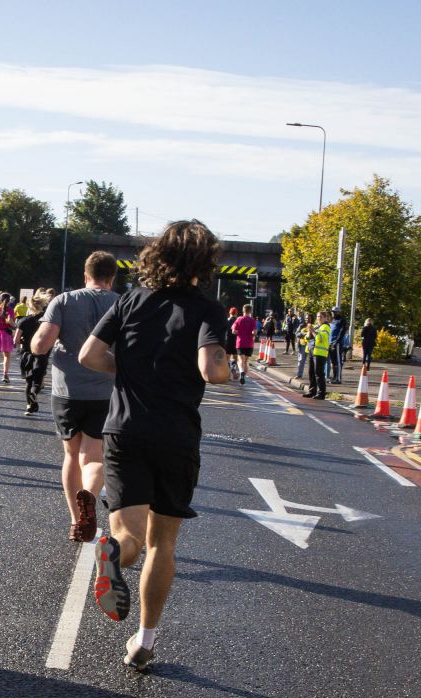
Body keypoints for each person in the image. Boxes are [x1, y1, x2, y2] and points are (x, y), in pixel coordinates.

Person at [77, 220, 230, 671]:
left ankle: (112, 555)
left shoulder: (131, 299)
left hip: (124, 428)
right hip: (175, 435)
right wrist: (222, 366)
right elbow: (212, 370)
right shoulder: (207, 308)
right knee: (163, 542)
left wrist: (129, 372)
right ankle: (144, 641)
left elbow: (89, 355)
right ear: (203, 261)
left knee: (127, 534)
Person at [32, 252, 118, 542]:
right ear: (112, 277)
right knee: (94, 457)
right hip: (106, 391)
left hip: (67, 390)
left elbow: (40, 346)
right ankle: (90, 496)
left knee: (71, 454)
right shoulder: (121, 303)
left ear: (85, 275)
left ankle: (75, 520)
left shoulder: (64, 301)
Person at [15, 288, 51, 416]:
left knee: (28, 381)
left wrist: (22, 346)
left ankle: (30, 405)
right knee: (38, 379)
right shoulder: (46, 320)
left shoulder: (23, 321)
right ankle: (34, 393)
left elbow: (16, 339)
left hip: (26, 353)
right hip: (42, 352)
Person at [303, 310, 331, 400]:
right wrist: (309, 331)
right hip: (312, 351)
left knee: (319, 373)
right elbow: (307, 338)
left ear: (325, 318)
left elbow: (320, 339)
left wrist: (313, 331)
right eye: (318, 317)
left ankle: (321, 393)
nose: (319, 319)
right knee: (311, 372)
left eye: (321, 317)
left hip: (320, 353)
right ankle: (312, 391)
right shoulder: (317, 326)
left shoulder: (325, 327)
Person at [0, 293, 16, 383]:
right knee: (6, 356)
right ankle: (5, 375)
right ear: (9, 299)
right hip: (6, 334)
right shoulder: (10, 310)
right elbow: (10, 321)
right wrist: (15, 326)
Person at [230, 305, 255, 386]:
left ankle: (241, 372)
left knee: (240, 360)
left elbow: (233, 331)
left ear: (243, 311)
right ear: (250, 311)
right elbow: (254, 332)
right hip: (249, 343)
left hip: (240, 343)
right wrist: (252, 334)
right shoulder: (252, 320)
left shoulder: (239, 319)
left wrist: (239, 332)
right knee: (246, 361)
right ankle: (244, 376)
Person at [328, 308, 345, 384]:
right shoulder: (333, 320)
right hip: (331, 343)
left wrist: (337, 341)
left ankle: (338, 378)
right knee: (333, 362)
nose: (333, 313)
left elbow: (342, 332)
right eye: (333, 312)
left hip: (337, 343)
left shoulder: (342, 320)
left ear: (338, 312)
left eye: (335, 312)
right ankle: (334, 377)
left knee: (338, 361)